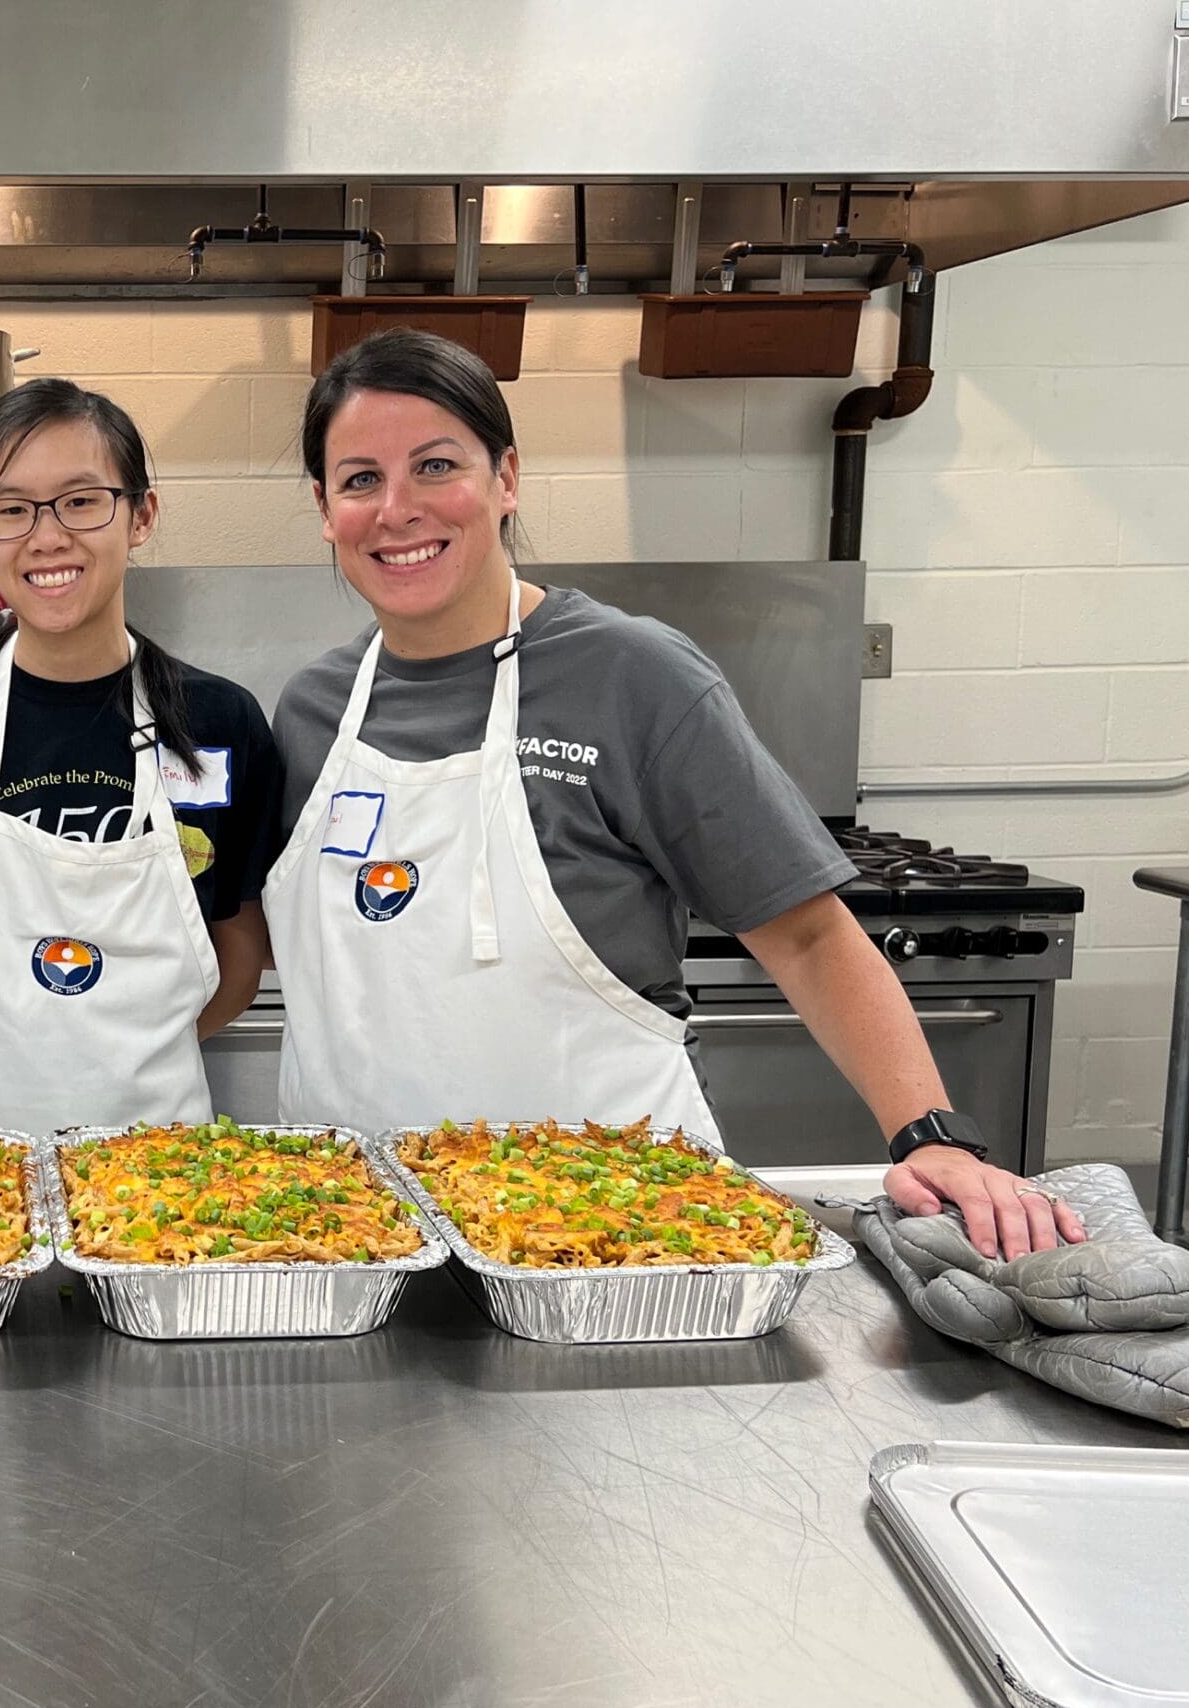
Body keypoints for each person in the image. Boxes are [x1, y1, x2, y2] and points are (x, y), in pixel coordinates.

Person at [267, 329, 1082, 1261]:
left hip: (609, 1227)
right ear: (327, 510)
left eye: (436, 465)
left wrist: (930, 1133)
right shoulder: (312, 708)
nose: (398, 509)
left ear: (507, 479)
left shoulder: (632, 676)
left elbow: (810, 935)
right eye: (360, 479)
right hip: (351, 1233)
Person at [0, 379, 284, 1132]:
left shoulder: (219, 722)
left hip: (160, 1160)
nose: (47, 538)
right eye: (10, 510)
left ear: (141, 514)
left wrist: (131, 1064)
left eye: (81, 501)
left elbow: (241, 959)